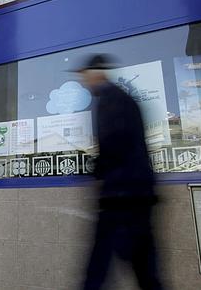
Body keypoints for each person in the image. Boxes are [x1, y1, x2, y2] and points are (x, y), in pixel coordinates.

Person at [74, 54, 163, 290]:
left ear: (96, 73)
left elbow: (113, 141)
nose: (84, 83)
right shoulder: (123, 98)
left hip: (120, 195)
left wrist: (97, 171)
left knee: (98, 269)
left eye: (84, 77)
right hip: (136, 193)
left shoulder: (110, 99)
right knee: (145, 271)